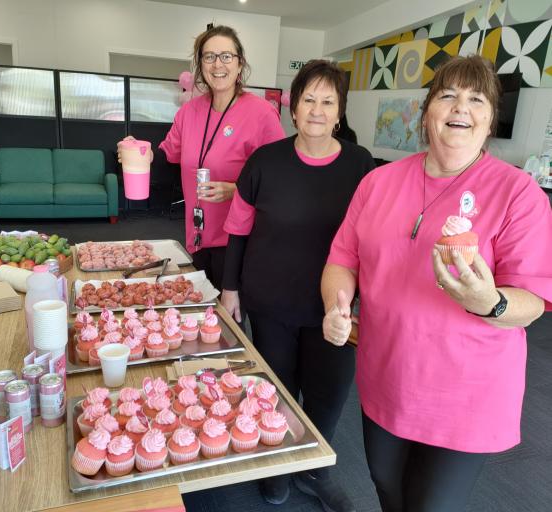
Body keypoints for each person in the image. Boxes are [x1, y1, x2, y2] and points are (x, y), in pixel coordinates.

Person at [322, 55, 552, 512]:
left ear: (489, 120)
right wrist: (337, 302)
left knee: (431, 505)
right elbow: (342, 259)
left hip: (466, 391)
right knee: (387, 489)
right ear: (427, 112)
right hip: (386, 374)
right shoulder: (378, 183)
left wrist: (491, 302)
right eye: (447, 95)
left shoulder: (517, 192)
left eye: (476, 99)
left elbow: (534, 300)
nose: (459, 107)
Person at [221, 60, 375, 511]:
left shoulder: (361, 165)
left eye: (329, 101)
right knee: (277, 387)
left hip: (334, 306)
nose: (317, 110)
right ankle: (278, 463)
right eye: (309, 99)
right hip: (269, 299)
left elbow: (374, 237)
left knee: (328, 391)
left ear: (341, 111)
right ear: (292, 107)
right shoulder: (265, 161)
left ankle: (314, 467)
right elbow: (238, 229)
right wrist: (230, 289)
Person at [118, 25, 284, 288]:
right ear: (201, 64)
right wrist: (142, 153)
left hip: (238, 240)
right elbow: (167, 156)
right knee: (200, 311)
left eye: (226, 56)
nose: (218, 64)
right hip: (196, 234)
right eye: (209, 56)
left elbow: (279, 177)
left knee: (229, 319)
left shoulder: (261, 113)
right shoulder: (189, 112)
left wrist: (234, 190)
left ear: (240, 63)